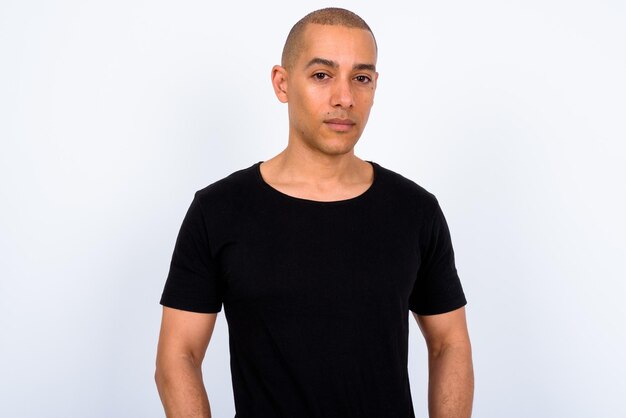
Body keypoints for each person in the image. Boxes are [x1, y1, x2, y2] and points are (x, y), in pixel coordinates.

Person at [155, 7, 473, 418]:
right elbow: (177, 356)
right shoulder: (218, 210)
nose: (344, 98)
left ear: (375, 86)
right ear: (282, 83)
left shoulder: (415, 211)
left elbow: (450, 342)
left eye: (361, 78)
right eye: (322, 75)